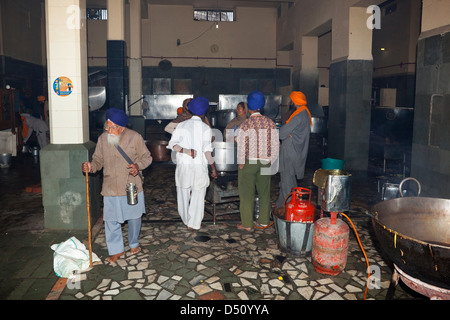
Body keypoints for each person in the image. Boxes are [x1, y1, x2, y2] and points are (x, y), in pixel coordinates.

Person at [81, 108, 153, 264]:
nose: (108, 130)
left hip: (131, 186)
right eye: (106, 126)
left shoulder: (135, 138)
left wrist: (137, 166)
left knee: (134, 217)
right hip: (110, 186)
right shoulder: (102, 139)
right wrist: (90, 166)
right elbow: (98, 160)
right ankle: (116, 249)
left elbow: (147, 158)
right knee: (111, 219)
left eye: (111, 127)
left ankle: (134, 243)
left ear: (121, 127)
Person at [167, 97, 218, 230]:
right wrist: (213, 168)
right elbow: (208, 152)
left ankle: (186, 219)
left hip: (184, 165)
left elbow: (172, 144)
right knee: (198, 193)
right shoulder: (205, 128)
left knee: (183, 193)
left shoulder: (182, 125)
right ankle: (194, 223)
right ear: (203, 113)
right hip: (199, 166)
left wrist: (185, 150)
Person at [236, 91, 279, 231]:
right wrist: (271, 160)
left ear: (248, 107)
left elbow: (242, 145)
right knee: (264, 192)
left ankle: (247, 224)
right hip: (265, 161)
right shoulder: (270, 123)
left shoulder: (246, 124)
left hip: (249, 163)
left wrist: (241, 162)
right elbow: (276, 144)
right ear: (262, 106)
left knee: (246, 193)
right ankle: (264, 221)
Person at [275, 91, 312, 209]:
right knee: (286, 181)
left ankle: (290, 209)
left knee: (287, 183)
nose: (290, 102)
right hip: (295, 153)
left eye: (291, 100)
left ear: (295, 101)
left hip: (290, 154)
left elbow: (281, 134)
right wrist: (288, 133)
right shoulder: (304, 112)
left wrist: (286, 133)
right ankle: (280, 205)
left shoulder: (298, 116)